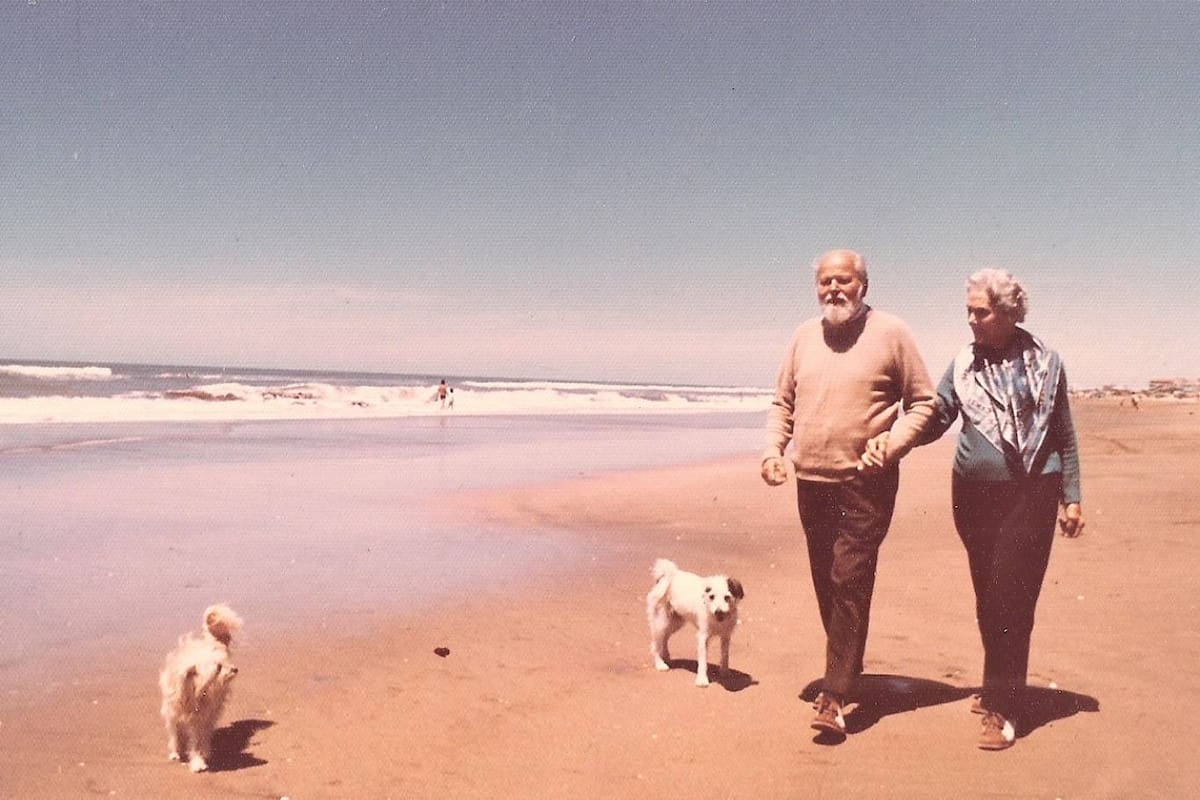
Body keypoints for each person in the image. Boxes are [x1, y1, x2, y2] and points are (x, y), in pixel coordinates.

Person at [904, 268, 1083, 751]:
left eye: (980, 311)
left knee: (1010, 597)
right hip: (972, 496)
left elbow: (1062, 430)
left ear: (1008, 312)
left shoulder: (1046, 362)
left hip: (1032, 494)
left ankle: (1004, 709)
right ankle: (998, 681)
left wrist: (1073, 496)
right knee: (989, 598)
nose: (971, 320)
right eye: (967, 311)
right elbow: (938, 413)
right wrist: (894, 437)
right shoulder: (964, 363)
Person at [761, 249, 936, 740]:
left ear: (864, 284)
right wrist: (773, 450)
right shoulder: (802, 337)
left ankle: (835, 695)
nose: (834, 290)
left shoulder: (892, 333)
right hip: (811, 480)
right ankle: (846, 669)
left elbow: (924, 403)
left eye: (844, 280)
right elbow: (783, 402)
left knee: (849, 576)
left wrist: (894, 444)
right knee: (828, 581)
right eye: (825, 282)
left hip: (866, 481)